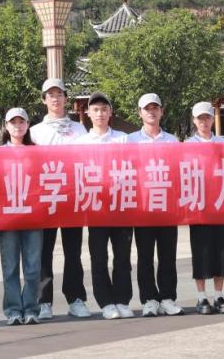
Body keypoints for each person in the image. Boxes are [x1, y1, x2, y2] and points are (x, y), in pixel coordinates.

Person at [29, 77, 91, 320]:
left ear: (66, 98)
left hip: (72, 197)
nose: (55, 99)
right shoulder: (35, 131)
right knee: (44, 252)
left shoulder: (79, 129)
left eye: (59, 94)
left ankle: (76, 298)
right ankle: (44, 301)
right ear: (44, 100)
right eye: (50, 95)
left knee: (73, 251)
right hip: (45, 198)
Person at [75, 92, 133, 320]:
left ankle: (123, 299)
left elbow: (134, 167)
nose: (100, 114)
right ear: (88, 113)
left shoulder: (123, 139)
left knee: (123, 257)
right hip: (95, 207)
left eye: (104, 109)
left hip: (121, 205)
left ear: (110, 112)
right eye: (96, 110)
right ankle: (106, 302)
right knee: (99, 257)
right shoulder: (81, 143)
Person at [127, 93, 184, 317]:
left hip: (167, 206)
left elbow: (179, 171)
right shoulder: (131, 141)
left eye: (155, 108)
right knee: (145, 256)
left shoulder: (172, 141)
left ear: (161, 111)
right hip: (142, 207)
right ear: (139, 113)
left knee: (168, 255)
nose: (151, 112)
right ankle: (149, 299)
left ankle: (168, 298)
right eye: (147, 108)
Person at [184, 101, 224, 314]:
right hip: (199, 206)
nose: (204, 121)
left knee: (222, 251)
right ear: (194, 121)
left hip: (220, 204)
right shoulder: (188, 144)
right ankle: (201, 296)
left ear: (212, 119)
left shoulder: (222, 142)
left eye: (207, 117)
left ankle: (218, 294)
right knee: (201, 251)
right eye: (200, 118)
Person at [0, 107, 43, 325]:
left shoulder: (37, 152)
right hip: (7, 217)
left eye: (21, 122)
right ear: (6, 126)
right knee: (10, 266)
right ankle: (13, 310)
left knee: (32, 267)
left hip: (33, 216)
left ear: (27, 125)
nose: (17, 126)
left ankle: (31, 308)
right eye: (13, 122)